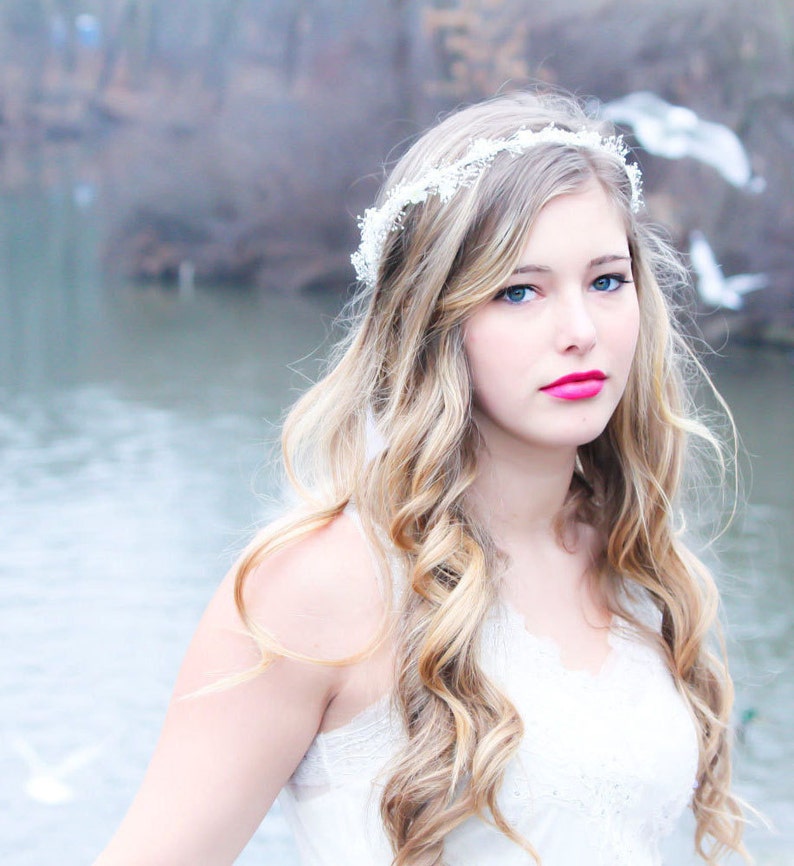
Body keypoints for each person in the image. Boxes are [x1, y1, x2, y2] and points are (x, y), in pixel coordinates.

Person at [94, 91, 750, 866]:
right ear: (433, 318)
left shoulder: (635, 560)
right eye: (518, 290)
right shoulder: (320, 586)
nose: (581, 331)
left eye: (606, 280)